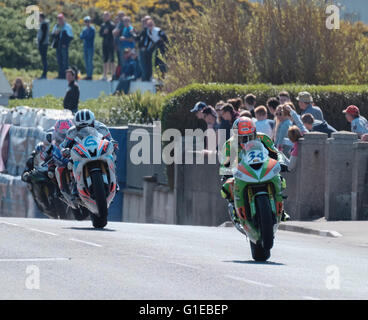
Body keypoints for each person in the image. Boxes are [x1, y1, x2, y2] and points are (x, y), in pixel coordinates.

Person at [220, 117, 289, 222]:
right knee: (226, 188)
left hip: (262, 166)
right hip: (242, 172)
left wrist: (281, 161)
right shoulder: (229, 145)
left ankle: (281, 210)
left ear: (255, 132)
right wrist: (226, 172)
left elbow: (276, 152)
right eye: (242, 138)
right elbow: (224, 163)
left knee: (280, 180)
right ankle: (235, 210)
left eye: (250, 136)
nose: (247, 140)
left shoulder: (263, 138)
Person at [51, 14, 74, 79]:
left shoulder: (67, 26)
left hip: (64, 46)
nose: (60, 20)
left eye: (61, 19)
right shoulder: (56, 26)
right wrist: (55, 34)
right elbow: (52, 35)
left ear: (63, 19)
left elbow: (71, 37)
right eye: (58, 19)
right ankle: (60, 75)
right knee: (59, 60)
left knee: (65, 61)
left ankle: (66, 75)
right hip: (58, 45)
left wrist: (66, 44)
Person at [100, 11, 116, 81]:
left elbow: (114, 34)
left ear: (109, 16)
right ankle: (105, 75)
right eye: (104, 16)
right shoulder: (103, 25)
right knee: (105, 59)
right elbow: (100, 34)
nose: (105, 17)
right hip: (105, 44)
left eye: (107, 15)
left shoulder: (112, 25)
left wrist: (110, 32)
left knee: (112, 59)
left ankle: (113, 75)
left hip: (111, 44)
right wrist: (104, 33)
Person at [136, 16, 153, 81]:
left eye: (145, 21)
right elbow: (139, 39)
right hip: (142, 49)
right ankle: (145, 77)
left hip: (146, 50)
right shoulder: (143, 30)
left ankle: (147, 77)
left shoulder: (149, 30)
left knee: (147, 64)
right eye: (143, 22)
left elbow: (149, 40)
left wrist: (145, 47)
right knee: (143, 65)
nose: (143, 23)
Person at [37, 13, 49, 79]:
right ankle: (44, 73)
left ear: (41, 17)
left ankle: (44, 73)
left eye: (39, 17)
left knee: (44, 58)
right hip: (43, 43)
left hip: (43, 44)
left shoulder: (44, 24)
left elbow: (44, 35)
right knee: (43, 58)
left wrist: (40, 42)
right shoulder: (42, 24)